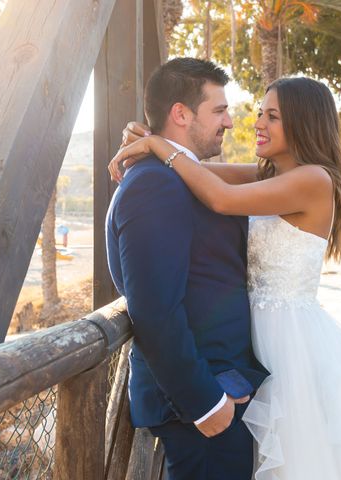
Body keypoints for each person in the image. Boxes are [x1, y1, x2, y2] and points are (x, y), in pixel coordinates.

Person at [110, 75, 341, 479]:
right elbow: (195, 170)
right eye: (260, 113)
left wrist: (156, 144)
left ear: (304, 123)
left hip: (286, 340)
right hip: (253, 338)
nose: (257, 122)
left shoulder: (315, 180)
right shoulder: (267, 177)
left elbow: (220, 197)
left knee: (294, 458)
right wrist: (157, 140)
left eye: (272, 116)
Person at [105, 58, 268, 480]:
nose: (230, 122)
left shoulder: (176, 175)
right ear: (181, 113)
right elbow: (155, 310)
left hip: (224, 387)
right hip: (202, 403)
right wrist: (205, 402)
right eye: (219, 110)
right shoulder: (153, 185)